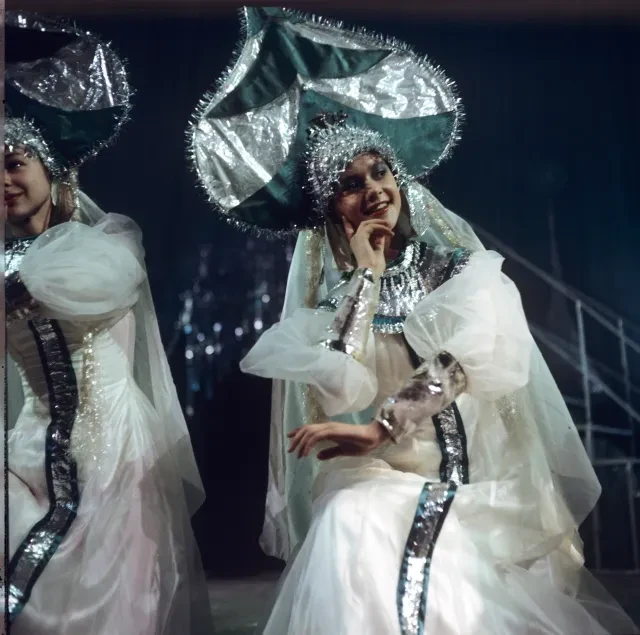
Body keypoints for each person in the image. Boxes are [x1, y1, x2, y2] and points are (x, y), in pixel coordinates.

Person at [189, 8, 639, 635]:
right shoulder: (334, 303)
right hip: (374, 476)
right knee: (347, 522)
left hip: (460, 477)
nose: (373, 189)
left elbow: (465, 362)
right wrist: (367, 278)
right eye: (350, 184)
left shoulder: (461, 270)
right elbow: (336, 387)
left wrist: (381, 426)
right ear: (332, 210)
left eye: (379, 172)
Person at [3, 13, 210, 634]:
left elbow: (93, 284)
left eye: (14, 163)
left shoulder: (105, 243)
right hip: (32, 444)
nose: (5, 181)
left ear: (49, 166)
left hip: (113, 449)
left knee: (113, 605)